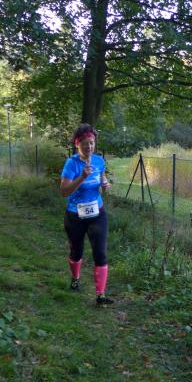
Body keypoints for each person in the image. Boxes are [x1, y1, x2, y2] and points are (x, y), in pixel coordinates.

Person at [60, 124, 113, 306]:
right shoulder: (71, 164)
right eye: (85, 143)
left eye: (91, 143)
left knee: (100, 252)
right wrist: (82, 177)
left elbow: (102, 179)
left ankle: (100, 295)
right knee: (76, 251)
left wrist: (105, 185)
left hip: (97, 212)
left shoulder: (99, 161)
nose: (89, 146)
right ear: (77, 144)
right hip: (75, 215)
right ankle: (75, 279)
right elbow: (64, 192)